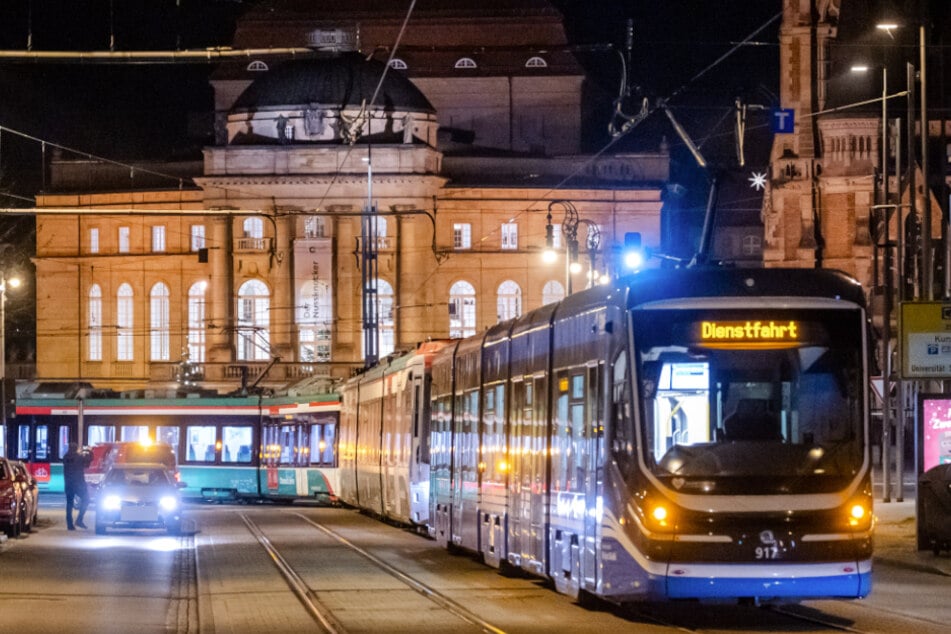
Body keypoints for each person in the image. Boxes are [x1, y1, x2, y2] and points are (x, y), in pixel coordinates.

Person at [63, 442, 91, 530]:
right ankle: (79, 519)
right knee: (86, 499)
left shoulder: (65, 457)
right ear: (76, 449)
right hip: (79, 483)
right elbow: (88, 462)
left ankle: (69, 524)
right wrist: (89, 451)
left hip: (68, 483)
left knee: (69, 503)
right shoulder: (79, 457)